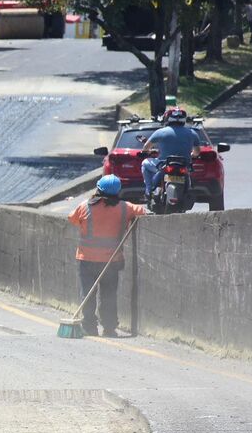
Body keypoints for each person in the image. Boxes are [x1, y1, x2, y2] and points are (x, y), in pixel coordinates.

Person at [67, 175, 148, 338]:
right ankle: (110, 327)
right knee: (109, 295)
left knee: (88, 294)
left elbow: (72, 218)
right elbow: (144, 212)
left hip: (87, 259)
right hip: (112, 261)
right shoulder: (125, 208)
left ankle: (90, 327)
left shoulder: (85, 206)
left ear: (98, 189)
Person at [140, 109, 200, 200]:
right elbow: (197, 152)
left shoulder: (161, 132)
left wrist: (147, 152)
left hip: (164, 164)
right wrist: (192, 155)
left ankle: (148, 190)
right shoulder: (192, 133)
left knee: (145, 163)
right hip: (184, 164)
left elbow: (145, 147)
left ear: (167, 119)